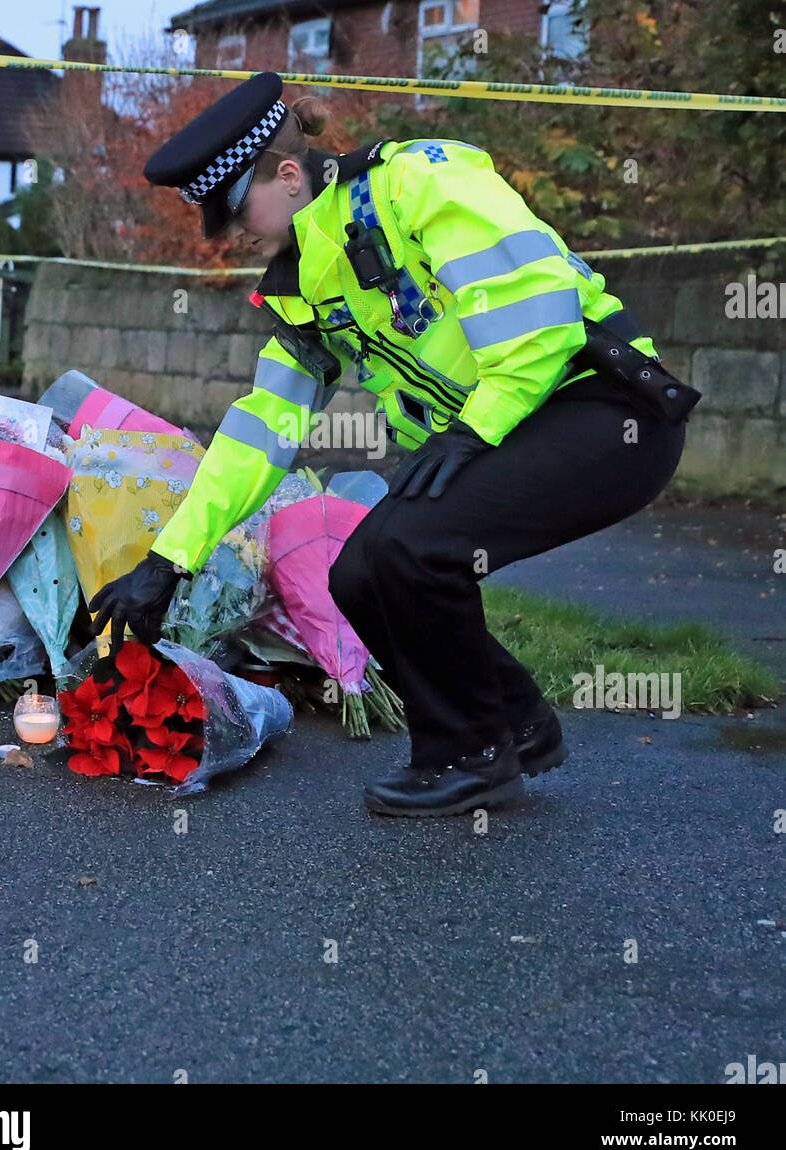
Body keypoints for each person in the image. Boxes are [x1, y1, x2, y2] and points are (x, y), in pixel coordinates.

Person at [90, 71, 691, 818]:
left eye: (231, 209)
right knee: (359, 574)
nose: (226, 234)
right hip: (503, 429)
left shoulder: (418, 183)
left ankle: (469, 755)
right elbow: (262, 429)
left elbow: (538, 312)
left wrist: (475, 429)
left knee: (410, 548)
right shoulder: (303, 287)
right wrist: (169, 559)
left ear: (287, 175)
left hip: (601, 411)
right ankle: (515, 725)